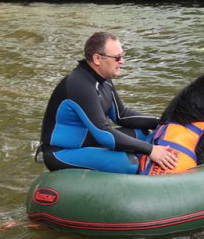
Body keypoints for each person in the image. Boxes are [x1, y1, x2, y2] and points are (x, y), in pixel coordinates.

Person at [38, 31, 177, 173]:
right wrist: (151, 150)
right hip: (61, 152)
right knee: (130, 163)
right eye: (117, 58)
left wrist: (163, 121)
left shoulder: (103, 80)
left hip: (87, 141)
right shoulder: (80, 85)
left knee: (141, 133)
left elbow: (121, 115)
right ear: (97, 59)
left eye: (122, 56)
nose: (122, 61)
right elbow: (103, 134)